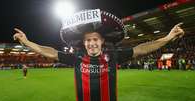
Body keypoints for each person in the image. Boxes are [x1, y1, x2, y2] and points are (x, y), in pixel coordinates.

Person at [13, 9, 184, 101]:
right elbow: (48, 51)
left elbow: (143, 48)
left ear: (102, 41)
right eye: (87, 40)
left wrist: (168, 37)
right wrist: (27, 42)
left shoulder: (113, 54)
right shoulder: (76, 57)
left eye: (95, 39)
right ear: (83, 43)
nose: (91, 43)